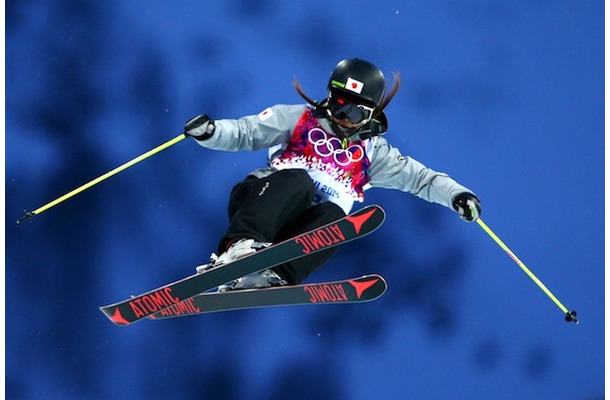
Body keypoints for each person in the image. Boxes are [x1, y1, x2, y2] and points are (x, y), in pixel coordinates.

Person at [183, 58, 481, 291]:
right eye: (338, 106)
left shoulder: (374, 153)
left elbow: (422, 179)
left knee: (336, 218)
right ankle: (240, 248)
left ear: (371, 116)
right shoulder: (299, 118)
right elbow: (246, 132)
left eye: (354, 114)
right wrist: (211, 132)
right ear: (328, 98)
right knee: (299, 181)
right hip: (262, 200)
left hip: (296, 233)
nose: (342, 119)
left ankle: (273, 274)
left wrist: (457, 195)